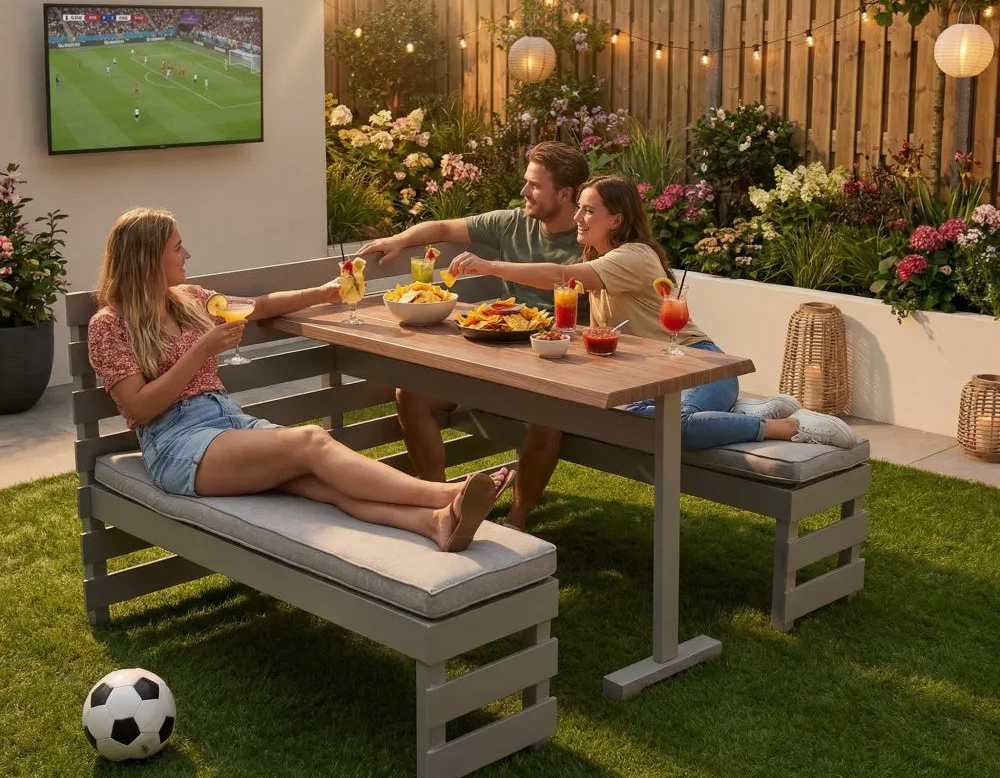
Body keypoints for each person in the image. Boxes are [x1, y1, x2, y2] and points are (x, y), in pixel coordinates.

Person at [88, 208, 512, 552]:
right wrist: (201, 350)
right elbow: (140, 408)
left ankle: (435, 524)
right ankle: (442, 494)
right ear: (147, 257)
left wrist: (324, 293)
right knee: (310, 440)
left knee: (323, 483)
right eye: (178, 248)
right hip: (177, 445)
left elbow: (259, 305)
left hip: (228, 424)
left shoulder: (189, 300)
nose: (188, 255)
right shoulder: (109, 325)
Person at [447, 175, 859, 528]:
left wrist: (491, 266)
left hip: (701, 367)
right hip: (654, 377)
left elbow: (560, 275)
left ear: (617, 219)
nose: (577, 217)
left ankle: (788, 426)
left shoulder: (633, 255)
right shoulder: (602, 255)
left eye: (588, 211)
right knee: (604, 414)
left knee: (668, 427)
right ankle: (758, 409)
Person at [360, 141, 590, 525]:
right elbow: (443, 227)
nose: (523, 192)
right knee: (411, 395)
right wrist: (399, 240)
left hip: (558, 360)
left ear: (565, 194)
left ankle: (515, 520)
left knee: (547, 418)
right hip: (498, 349)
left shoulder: (589, 239)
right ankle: (440, 503)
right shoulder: (513, 223)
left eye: (534, 185)